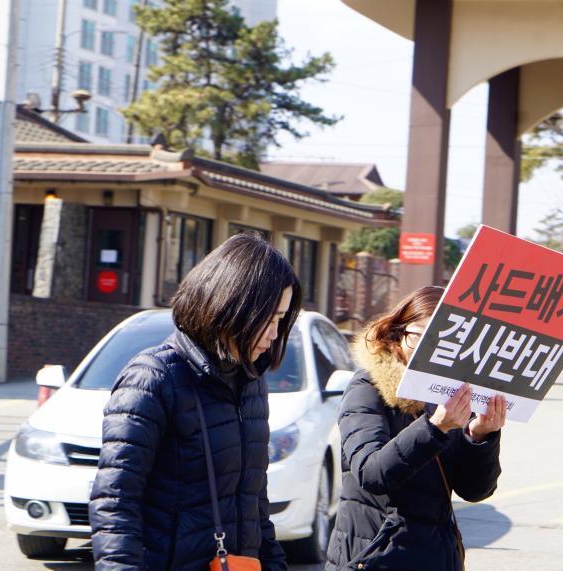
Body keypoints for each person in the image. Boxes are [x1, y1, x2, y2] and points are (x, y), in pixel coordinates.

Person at [89, 233, 300, 571]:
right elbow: (115, 502)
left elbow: (254, 504)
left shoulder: (251, 384)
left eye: (281, 320)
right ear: (234, 305)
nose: (275, 334)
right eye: (269, 318)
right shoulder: (155, 377)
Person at [326, 286, 504, 571]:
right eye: (421, 336)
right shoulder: (367, 387)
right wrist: (434, 428)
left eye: (444, 341)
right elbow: (370, 473)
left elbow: (475, 491)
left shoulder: (449, 393)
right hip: (376, 558)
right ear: (397, 334)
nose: (430, 349)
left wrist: (480, 436)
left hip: (436, 558)